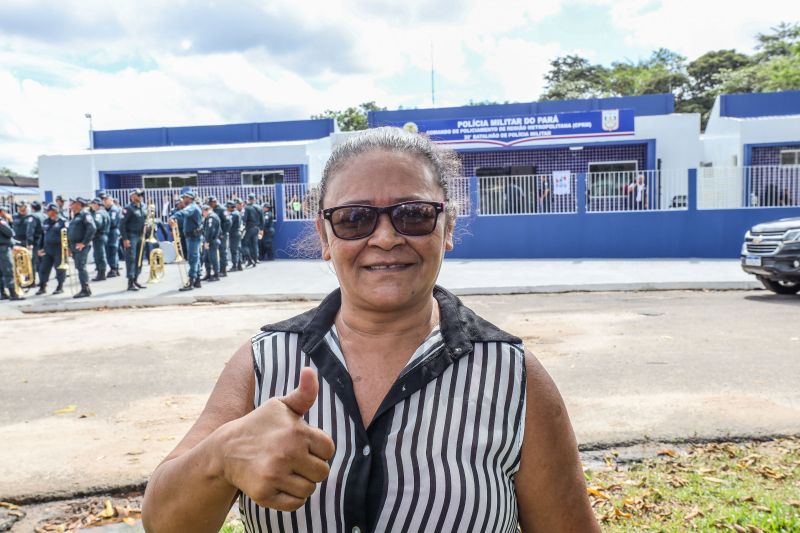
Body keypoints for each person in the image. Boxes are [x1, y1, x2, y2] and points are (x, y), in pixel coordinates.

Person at [142, 127, 599, 533]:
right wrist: (220, 459)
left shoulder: (512, 376)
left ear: (448, 227)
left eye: (414, 214)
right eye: (355, 218)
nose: (384, 238)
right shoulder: (263, 363)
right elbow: (163, 523)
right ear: (325, 237)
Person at [172, 191, 203, 291]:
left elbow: (184, 212)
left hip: (193, 236)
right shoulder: (192, 207)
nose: (182, 200)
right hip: (193, 236)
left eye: (184, 198)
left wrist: (173, 217)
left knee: (193, 259)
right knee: (196, 258)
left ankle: (191, 282)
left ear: (189, 198)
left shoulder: (192, 207)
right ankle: (197, 280)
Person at [67, 197, 96, 298]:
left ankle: (85, 289)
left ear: (79, 204)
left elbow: (92, 228)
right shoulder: (74, 216)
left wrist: (84, 243)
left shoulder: (85, 214)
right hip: (74, 245)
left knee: (81, 267)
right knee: (79, 267)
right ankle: (84, 288)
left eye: (73, 203)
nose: (70, 204)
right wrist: (69, 247)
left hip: (81, 246)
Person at [120, 189, 148, 291]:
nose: (141, 196)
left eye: (141, 194)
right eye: (138, 194)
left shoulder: (144, 206)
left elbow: (145, 218)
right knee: (131, 259)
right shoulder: (128, 208)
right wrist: (125, 239)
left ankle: (136, 279)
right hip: (131, 235)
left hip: (141, 235)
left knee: (139, 258)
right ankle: (130, 282)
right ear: (132, 196)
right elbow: (122, 225)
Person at [36, 203, 67, 295]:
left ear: (54, 211)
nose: (46, 212)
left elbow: (67, 236)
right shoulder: (45, 222)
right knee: (43, 268)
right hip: (47, 249)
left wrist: (68, 249)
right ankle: (42, 286)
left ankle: (60, 286)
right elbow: (42, 236)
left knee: (60, 268)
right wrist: (40, 248)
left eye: (48, 210)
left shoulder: (63, 222)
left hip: (59, 249)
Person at [0, 204, 24, 301]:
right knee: (8, 271)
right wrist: (9, 221)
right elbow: (10, 233)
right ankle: (13, 294)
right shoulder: (1, 221)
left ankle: (3, 293)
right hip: (3, 249)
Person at [101, 193, 122, 278]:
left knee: (112, 250)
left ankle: (114, 268)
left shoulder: (113, 210)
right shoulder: (106, 209)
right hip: (109, 231)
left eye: (106, 199)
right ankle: (115, 268)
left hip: (112, 232)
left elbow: (112, 222)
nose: (104, 201)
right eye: (103, 200)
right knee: (110, 250)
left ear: (111, 200)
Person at [90, 198, 110, 282]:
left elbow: (97, 224)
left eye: (93, 204)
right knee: (100, 254)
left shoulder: (98, 213)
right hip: (104, 235)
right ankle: (101, 272)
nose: (92, 206)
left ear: (97, 204)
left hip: (99, 236)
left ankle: (101, 273)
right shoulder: (105, 212)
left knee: (99, 255)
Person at [209, 196, 230, 277]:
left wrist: (223, 233)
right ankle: (217, 270)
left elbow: (228, 222)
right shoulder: (212, 209)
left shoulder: (222, 209)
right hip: (215, 235)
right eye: (210, 203)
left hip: (221, 235)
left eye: (212, 203)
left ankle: (223, 270)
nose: (211, 204)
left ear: (215, 202)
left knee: (222, 252)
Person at [201, 204, 221, 282]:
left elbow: (210, 231)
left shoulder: (211, 218)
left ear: (206, 211)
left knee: (213, 258)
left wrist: (207, 242)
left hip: (211, 241)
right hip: (209, 240)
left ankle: (216, 275)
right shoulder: (209, 217)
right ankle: (208, 274)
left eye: (203, 212)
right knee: (206, 258)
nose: (203, 214)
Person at [242, 193, 261, 267]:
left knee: (245, 244)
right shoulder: (259, 207)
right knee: (255, 244)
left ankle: (250, 260)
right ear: (254, 199)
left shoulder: (247, 208)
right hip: (257, 228)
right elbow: (262, 219)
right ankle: (256, 259)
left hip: (249, 228)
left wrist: (242, 228)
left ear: (248, 199)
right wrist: (261, 228)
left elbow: (244, 219)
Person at [29, 201, 45, 285]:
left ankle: (32, 281)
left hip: (36, 242)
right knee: (42, 262)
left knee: (34, 263)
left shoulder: (33, 216)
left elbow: (30, 230)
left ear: (32, 208)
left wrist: (29, 242)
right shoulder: (44, 215)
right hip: (44, 241)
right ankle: (43, 280)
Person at [226, 200, 242, 272]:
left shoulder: (233, 214)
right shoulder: (237, 212)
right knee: (238, 249)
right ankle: (239, 265)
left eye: (227, 207)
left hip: (234, 233)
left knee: (233, 250)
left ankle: (234, 266)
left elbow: (229, 224)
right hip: (237, 232)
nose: (227, 208)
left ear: (230, 207)